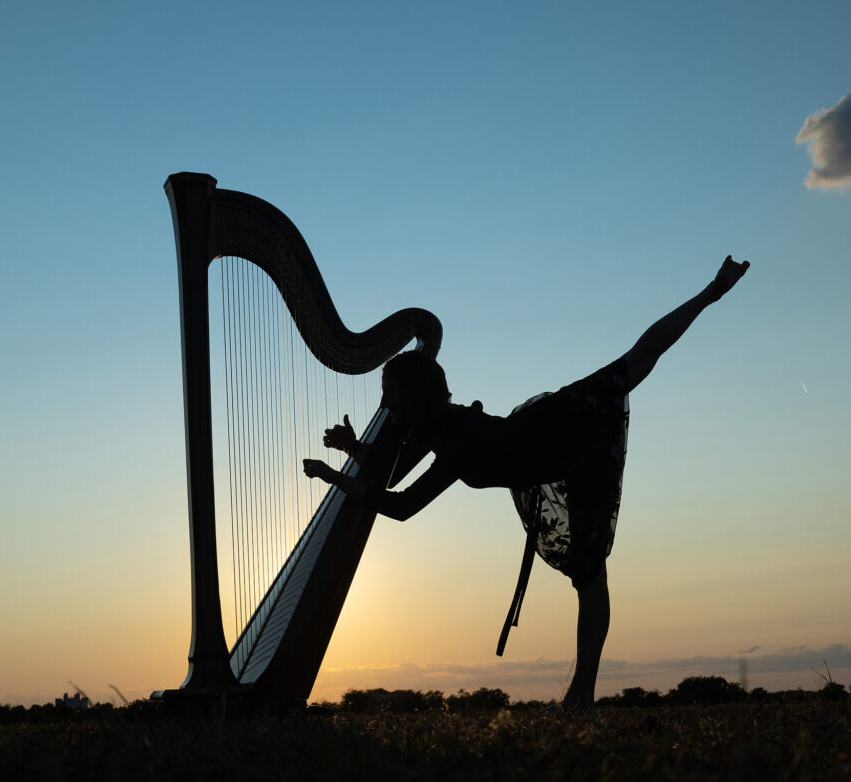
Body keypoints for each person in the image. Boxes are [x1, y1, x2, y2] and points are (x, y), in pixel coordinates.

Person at [303, 255, 749, 708]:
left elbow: (400, 506)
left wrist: (330, 475)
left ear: (414, 398)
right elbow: (393, 477)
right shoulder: (435, 430)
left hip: (567, 430)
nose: (385, 404)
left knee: (635, 366)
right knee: (589, 576)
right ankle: (582, 694)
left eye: (390, 395)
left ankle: (712, 291)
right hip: (544, 451)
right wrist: (353, 451)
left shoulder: (451, 436)